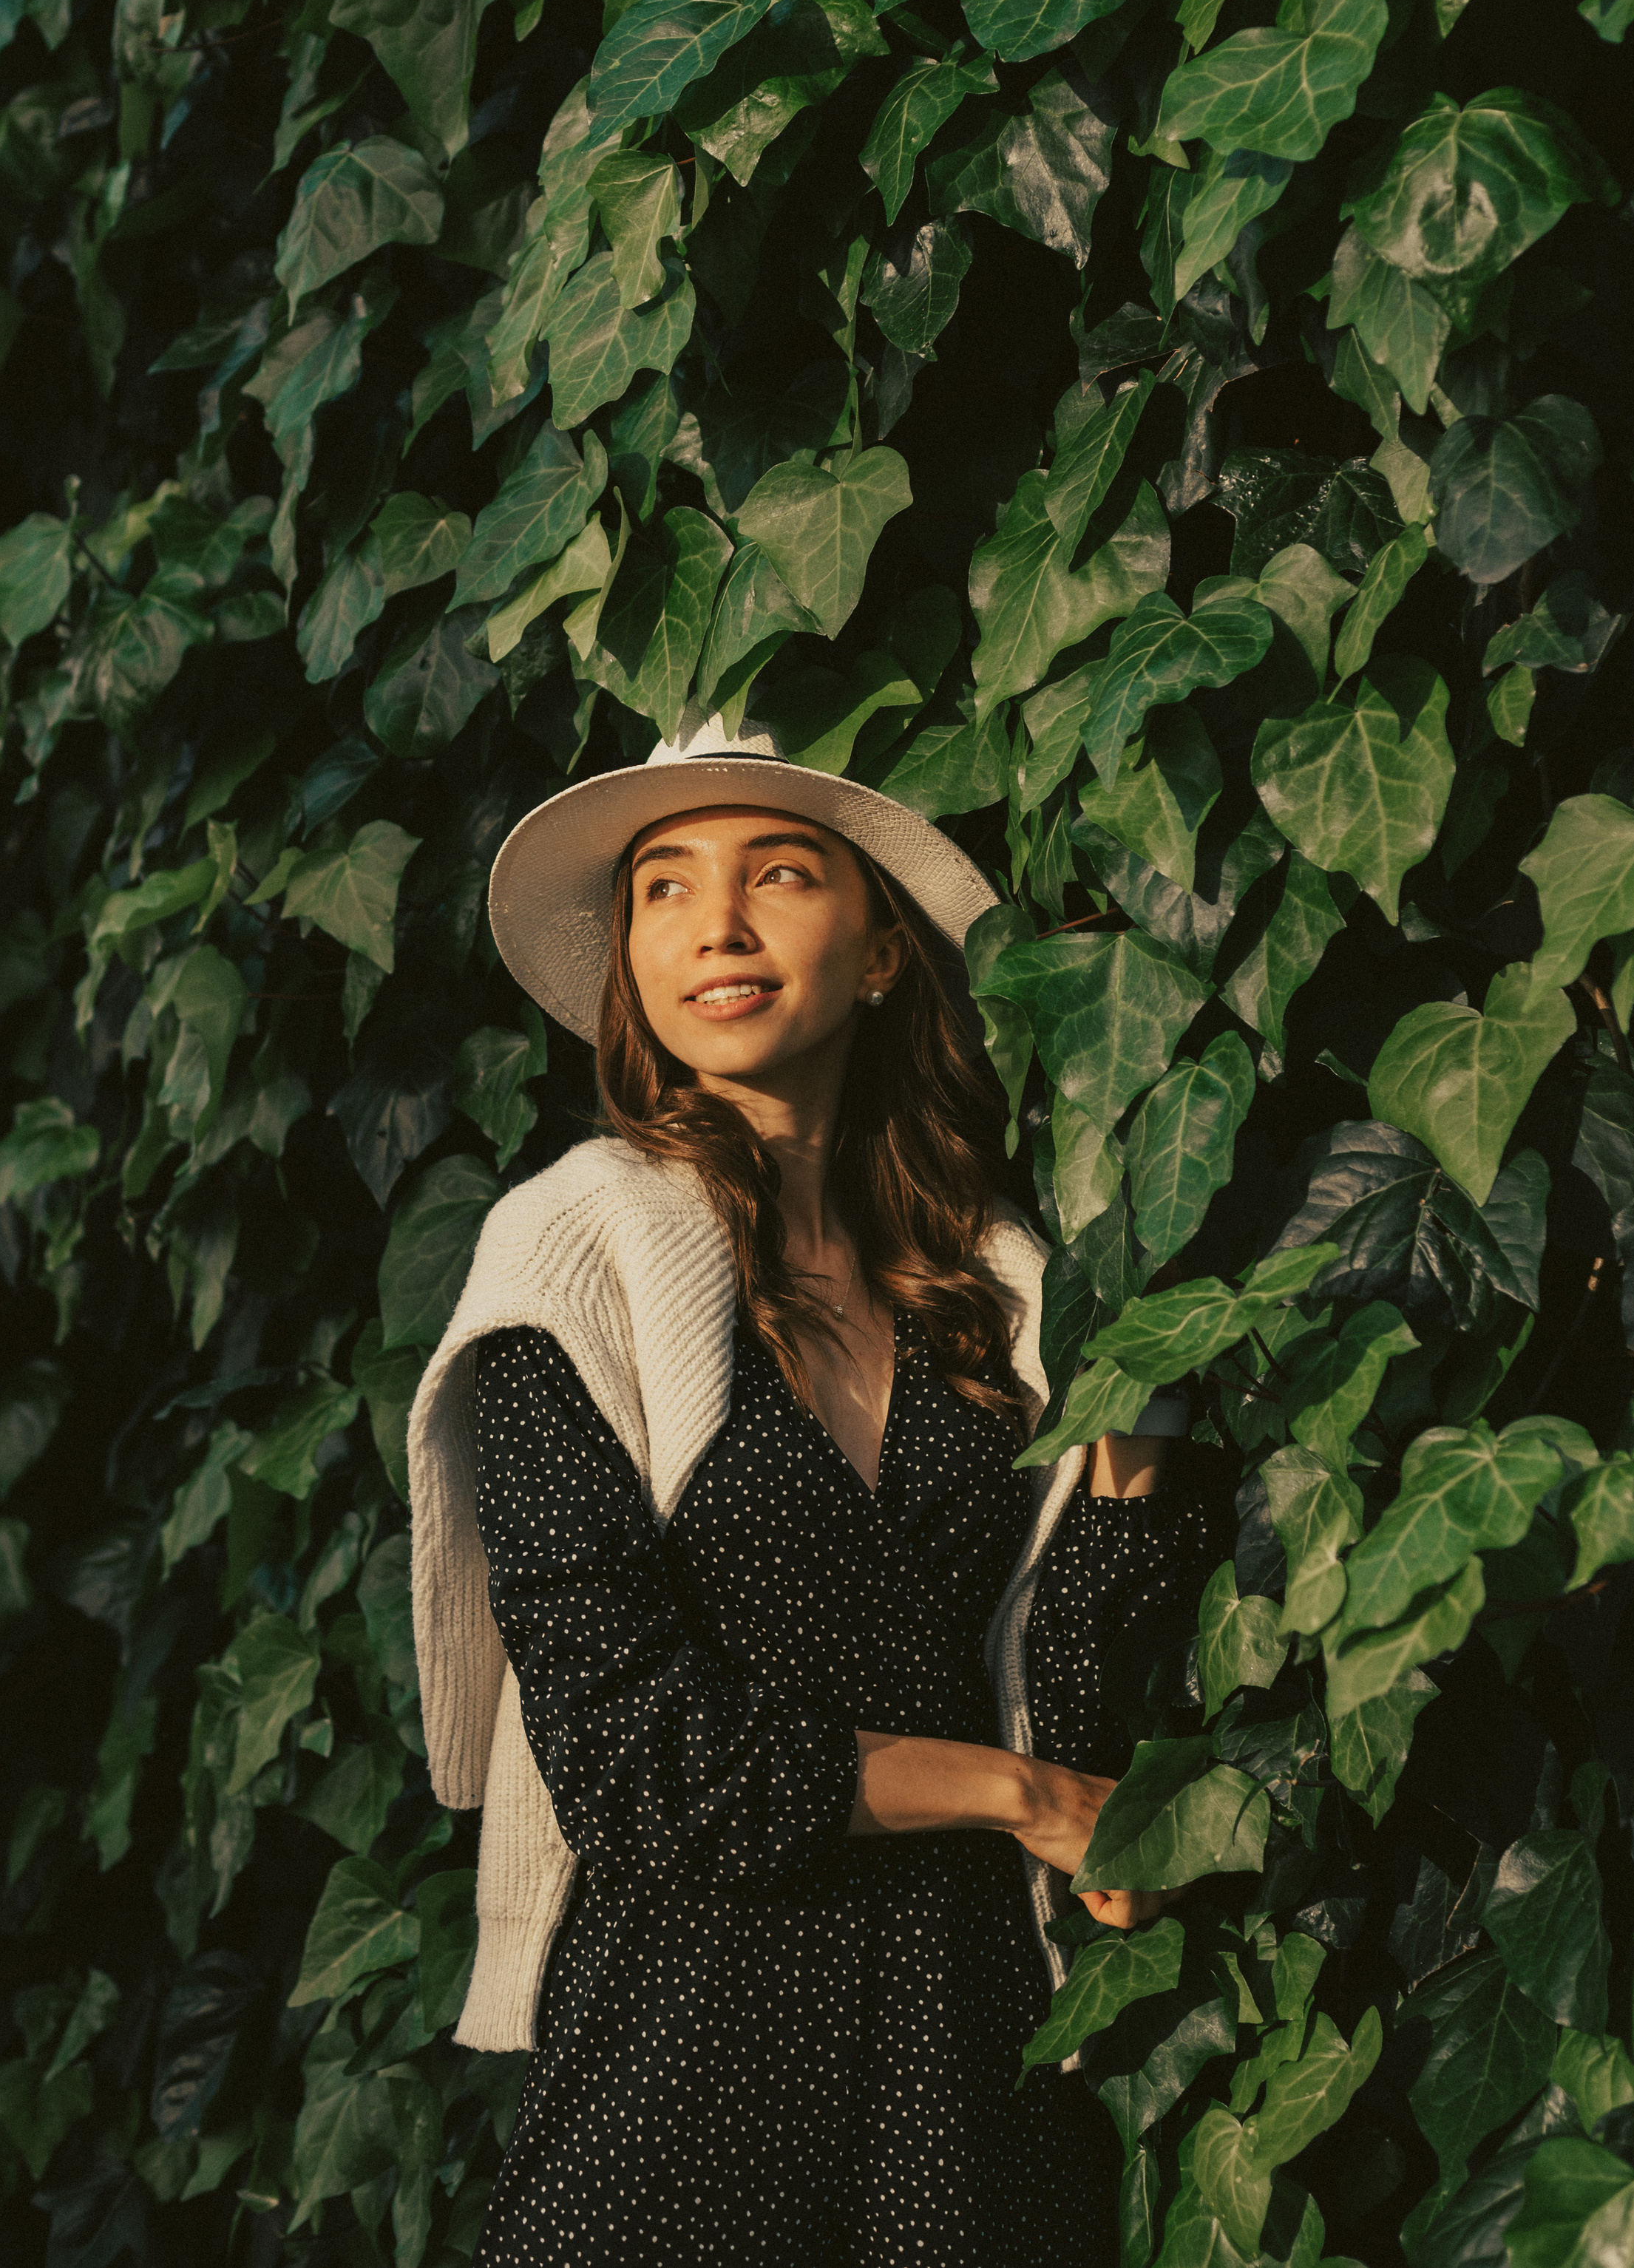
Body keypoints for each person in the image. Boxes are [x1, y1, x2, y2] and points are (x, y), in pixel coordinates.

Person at [407, 714, 1204, 2266]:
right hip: (689, 2036)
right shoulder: (571, 1255)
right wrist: (1008, 1792)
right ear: (630, 960)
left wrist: (1118, 1511)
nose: (715, 924)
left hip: (970, 2042)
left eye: (776, 874)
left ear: (882, 950)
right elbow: (632, 1754)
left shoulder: (999, 1281)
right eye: (661, 888)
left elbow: (1071, 1716)